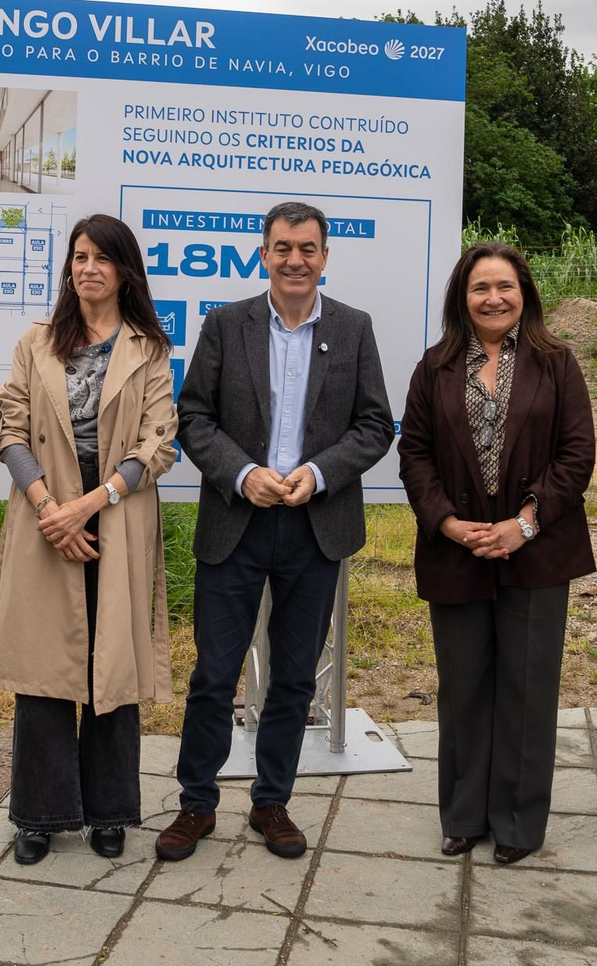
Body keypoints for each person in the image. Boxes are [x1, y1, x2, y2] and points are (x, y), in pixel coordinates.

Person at [157, 201, 394, 862]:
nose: (295, 260)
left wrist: (318, 473)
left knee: (294, 677)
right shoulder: (226, 324)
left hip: (315, 527)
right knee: (214, 673)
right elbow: (194, 415)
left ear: (325, 256)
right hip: (238, 523)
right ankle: (196, 803)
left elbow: (375, 424)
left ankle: (271, 801)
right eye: (283, 248)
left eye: (308, 249)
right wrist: (242, 473)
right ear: (263, 254)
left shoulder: (353, 328)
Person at [397, 242, 596, 864]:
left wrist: (525, 523)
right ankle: (462, 816)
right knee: (463, 686)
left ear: (524, 293)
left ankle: (516, 823)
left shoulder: (556, 363)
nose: (493, 298)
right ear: (463, 297)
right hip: (456, 551)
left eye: (504, 286)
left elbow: (577, 453)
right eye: (480, 287)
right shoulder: (433, 368)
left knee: (527, 688)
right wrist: (450, 524)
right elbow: (416, 457)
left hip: (536, 551)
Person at [0, 213, 177, 864]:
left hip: (117, 514)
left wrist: (92, 505)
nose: (87, 267)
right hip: (45, 513)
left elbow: (159, 443)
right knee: (43, 669)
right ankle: (39, 815)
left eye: (101, 257)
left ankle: (109, 811)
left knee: (111, 667)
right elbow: (9, 431)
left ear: (125, 270)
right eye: (78, 256)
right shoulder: (36, 341)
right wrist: (51, 509)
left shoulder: (149, 347)